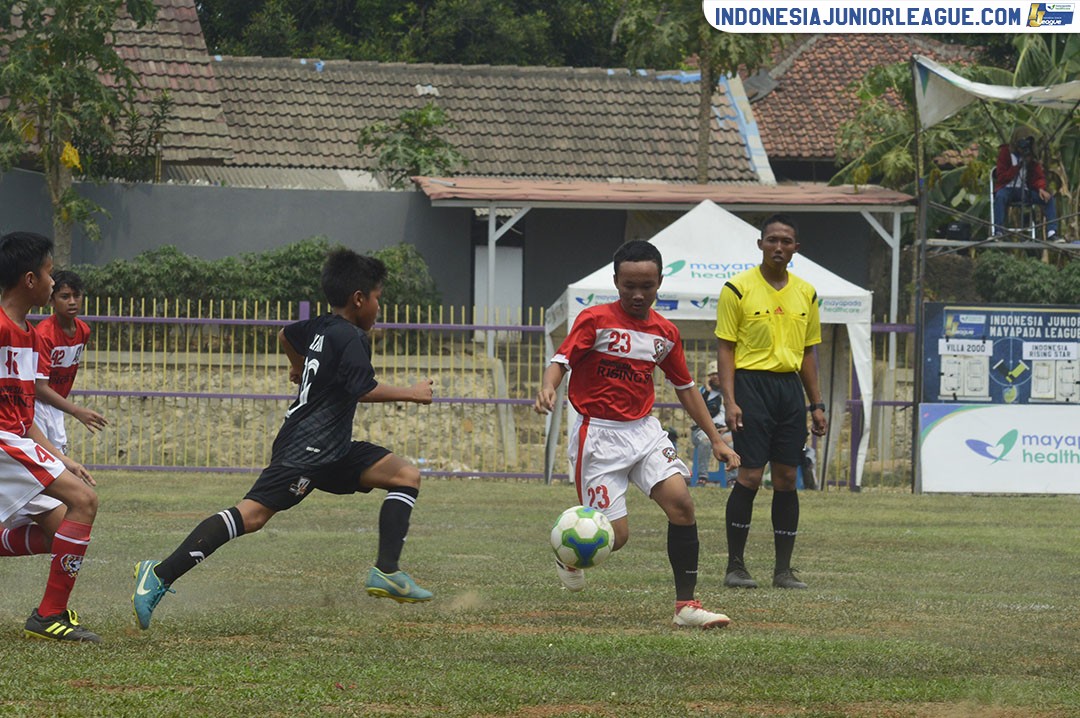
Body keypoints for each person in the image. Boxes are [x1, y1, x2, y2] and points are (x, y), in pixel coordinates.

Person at [132, 247, 436, 631]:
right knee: (253, 516)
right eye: (378, 299)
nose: (379, 308)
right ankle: (158, 574)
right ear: (359, 299)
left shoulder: (321, 326)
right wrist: (412, 392)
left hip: (334, 448)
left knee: (406, 475)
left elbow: (285, 334)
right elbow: (362, 388)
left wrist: (297, 366)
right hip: (305, 449)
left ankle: (388, 572)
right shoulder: (352, 338)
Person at [535, 239, 740, 630]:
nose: (637, 294)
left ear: (659, 282)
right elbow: (561, 361)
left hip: (643, 431)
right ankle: (567, 553)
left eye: (646, 285)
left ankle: (686, 606)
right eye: (629, 285)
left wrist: (715, 438)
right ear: (616, 281)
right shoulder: (594, 321)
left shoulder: (665, 333)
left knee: (682, 505)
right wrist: (549, 386)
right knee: (616, 536)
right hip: (598, 436)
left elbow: (685, 386)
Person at [715, 214, 828, 591]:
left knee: (785, 478)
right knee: (749, 474)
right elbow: (726, 347)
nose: (779, 247)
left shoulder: (807, 293)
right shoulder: (737, 288)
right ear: (760, 244)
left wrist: (817, 404)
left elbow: (809, 352)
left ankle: (783, 570)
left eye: (786, 241)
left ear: (796, 248)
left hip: (789, 389)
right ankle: (736, 566)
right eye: (772, 240)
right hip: (751, 386)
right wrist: (730, 400)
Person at [0, 232, 102, 642]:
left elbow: (24, 417)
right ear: (29, 280)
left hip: (16, 441)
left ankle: (50, 611)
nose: (51, 280)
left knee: (59, 530)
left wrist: (59, 457)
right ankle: (49, 615)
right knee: (84, 501)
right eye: (47, 272)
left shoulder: (25, 334)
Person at [34, 270, 108, 456]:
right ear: (51, 301)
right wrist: (76, 411)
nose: (73, 301)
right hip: (35, 405)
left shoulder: (83, 331)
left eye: (77, 295)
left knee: (58, 463)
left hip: (56, 405)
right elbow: (39, 387)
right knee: (44, 463)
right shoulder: (44, 334)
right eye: (65, 296)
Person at [993, 128, 1061, 242]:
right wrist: (1016, 167)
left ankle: (1052, 232)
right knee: (1000, 197)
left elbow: (1038, 176)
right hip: (1007, 189)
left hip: (1024, 191)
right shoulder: (1006, 153)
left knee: (1049, 199)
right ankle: (998, 232)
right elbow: (1001, 176)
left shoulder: (1031, 156)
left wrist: (1040, 188)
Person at [689, 360, 733, 485]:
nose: (715, 377)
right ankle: (702, 477)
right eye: (712, 374)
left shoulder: (729, 393)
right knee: (705, 441)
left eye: (718, 374)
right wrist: (707, 391)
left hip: (723, 430)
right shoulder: (702, 392)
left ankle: (732, 479)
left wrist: (728, 429)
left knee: (733, 443)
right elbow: (700, 411)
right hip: (703, 430)